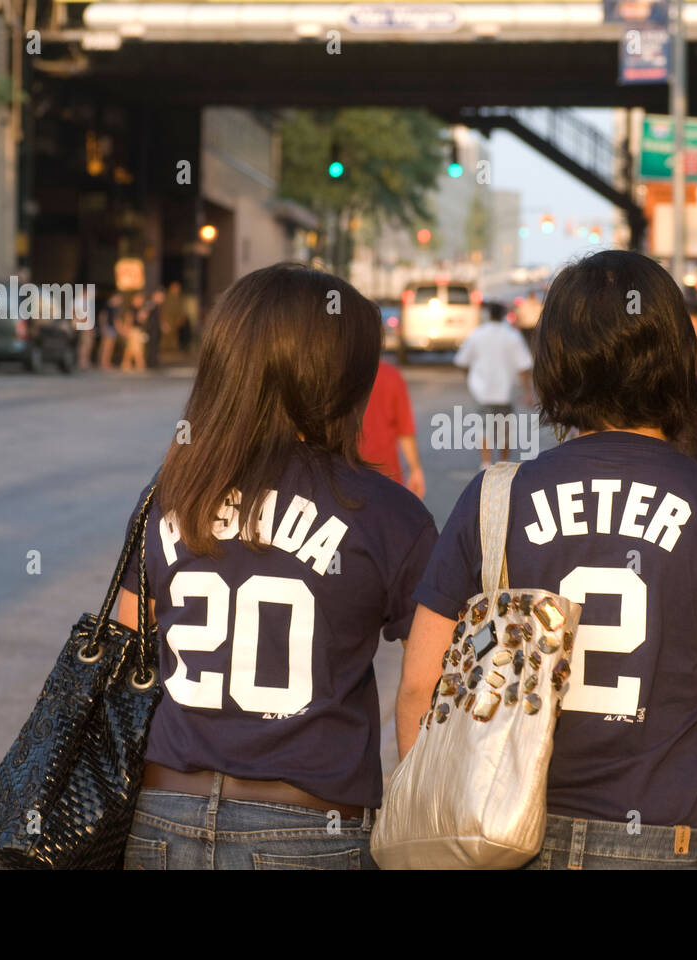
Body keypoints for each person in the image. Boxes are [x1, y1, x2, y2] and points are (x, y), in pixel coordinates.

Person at [397, 250, 697, 869]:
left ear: (555, 362)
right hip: (663, 839)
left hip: (507, 834)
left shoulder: (494, 498)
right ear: (677, 358)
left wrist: (433, 826)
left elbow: (422, 687)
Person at [115, 263, 437, 869]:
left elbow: (127, 649)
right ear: (343, 380)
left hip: (161, 813)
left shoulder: (173, 492)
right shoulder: (389, 513)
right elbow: (431, 684)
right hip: (309, 825)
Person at [454, 300, 533, 468]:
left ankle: (485, 463)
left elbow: (462, 361)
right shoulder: (512, 336)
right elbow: (524, 366)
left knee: (483, 427)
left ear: (488, 315)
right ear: (503, 315)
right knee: (504, 430)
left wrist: (469, 379)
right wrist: (527, 392)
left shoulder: (477, 334)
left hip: (481, 391)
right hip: (506, 392)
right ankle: (503, 465)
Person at [359, 359, 426, 497]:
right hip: (386, 475)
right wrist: (415, 469)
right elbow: (405, 430)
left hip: (346, 474)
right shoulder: (391, 375)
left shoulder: (338, 374)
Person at [117, 293, 147, 372]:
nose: (140, 301)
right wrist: (126, 328)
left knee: (130, 348)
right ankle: (140, 363)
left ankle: (126, 363)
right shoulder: (131, 309)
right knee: (137, 348)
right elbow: (128, 319)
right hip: (133, 330)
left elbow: (141, 321)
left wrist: (143, 316)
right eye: (139, 299)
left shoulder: (140, 309)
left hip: (138, 329)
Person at [97, 291, 123, 370]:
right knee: (106, 347)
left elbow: (116, 320)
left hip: (112, 328)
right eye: (119, 299)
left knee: (109, 347)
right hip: (108, 328)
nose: (120, 301)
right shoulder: (108, 307)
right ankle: (103, 362)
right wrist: (103, 327)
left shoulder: (115, 308)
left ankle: (106, 362)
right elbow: (102, 317)